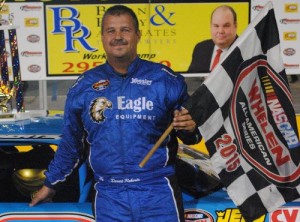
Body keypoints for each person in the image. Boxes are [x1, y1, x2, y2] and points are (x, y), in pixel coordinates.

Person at [29, 5, 200, 222]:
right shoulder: (84, 87)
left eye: (125, 30)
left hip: (157, 192)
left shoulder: (165, 80)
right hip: (109, 196)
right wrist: (50, 184)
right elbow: (71, 144)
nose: (118, 37)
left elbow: (191, 134)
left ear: (138, 35)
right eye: (111, 31)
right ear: (102, 37)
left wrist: (191, 128)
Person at [188, 5, 238, 74]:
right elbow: (192, 81)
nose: (220, 31)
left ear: (235, 26)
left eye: (226, 26)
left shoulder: (245, 50)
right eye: (216, 26)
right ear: (211, 26)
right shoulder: (200, 49)